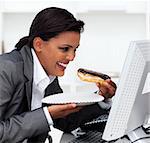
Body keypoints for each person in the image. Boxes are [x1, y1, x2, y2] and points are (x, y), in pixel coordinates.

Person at [0, 7, 116, 143]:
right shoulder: (6, 69)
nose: (72, 57)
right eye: (65, 49)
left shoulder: (47, 72)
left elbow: (65, 122)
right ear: (39, 44)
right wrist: (46, 115)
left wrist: (101, 98)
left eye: (75, 49)